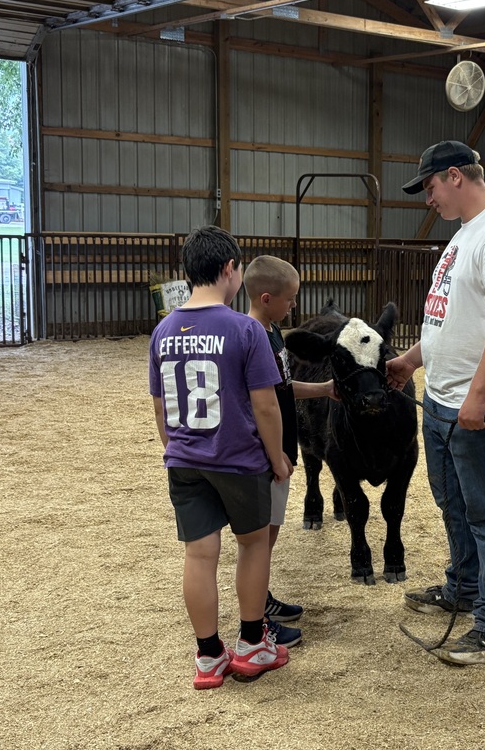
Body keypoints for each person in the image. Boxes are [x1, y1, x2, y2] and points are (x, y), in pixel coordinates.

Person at [387, 140, 485, 666]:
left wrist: (478, 397)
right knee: (454, 502)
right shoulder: (464, 236)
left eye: (429, 187)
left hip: (483, 405)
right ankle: (466, 585)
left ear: (455, 176)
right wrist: (412, 360)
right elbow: (452, 318)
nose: (427, 198)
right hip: (442, 397)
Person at [148, 225, 293, 689]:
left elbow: (160, 405)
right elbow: (266, 405)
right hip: (237, 459)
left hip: (185, 458)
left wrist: (174, 448)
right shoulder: (245, 329)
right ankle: (252, 644)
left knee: (199, 554)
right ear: (230, 269)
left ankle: (209, 655)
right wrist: (278, 458)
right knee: (252, 545)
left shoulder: (163, 330)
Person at [243, 254, 337, 648]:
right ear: (267, 298)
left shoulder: (275, 333)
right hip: (267, 455)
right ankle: (256, 621)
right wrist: (275, 455)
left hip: (280, 450)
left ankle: (261, 600)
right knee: (261, 539)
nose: (295, 305)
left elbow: (282, 387)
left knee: (270, 536)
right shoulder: (250, 336)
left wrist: (326, 388)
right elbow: (259, 403)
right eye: (290, 298)